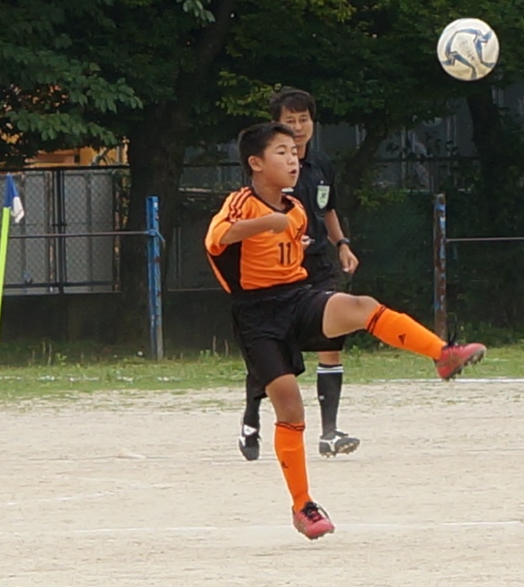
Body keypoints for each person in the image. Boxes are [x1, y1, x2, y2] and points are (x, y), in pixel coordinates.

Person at [207, 122, 485, 540]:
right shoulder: (241, 203)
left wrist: (294, 238)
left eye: (294, 152)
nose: (292, 159)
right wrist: (265, 224)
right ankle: (303, 506)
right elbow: (217, 238)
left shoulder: (296, 209)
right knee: (290, 407)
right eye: (281, 152)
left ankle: (442, 354)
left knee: (361, 306)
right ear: (255, 163)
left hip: (297, 299)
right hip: (256, 316)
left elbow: (289, 253)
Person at [238, 87, 360, 462]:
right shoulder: (270, 167)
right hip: (277, 267)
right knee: (274, 349)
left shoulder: (321, 165)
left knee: (332, 338)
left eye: (303, 119)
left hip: (317, 263)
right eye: (289, 121)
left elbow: (328, 209)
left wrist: (342, 243)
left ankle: (329, 431)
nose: (298, 127)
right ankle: (251, 417)